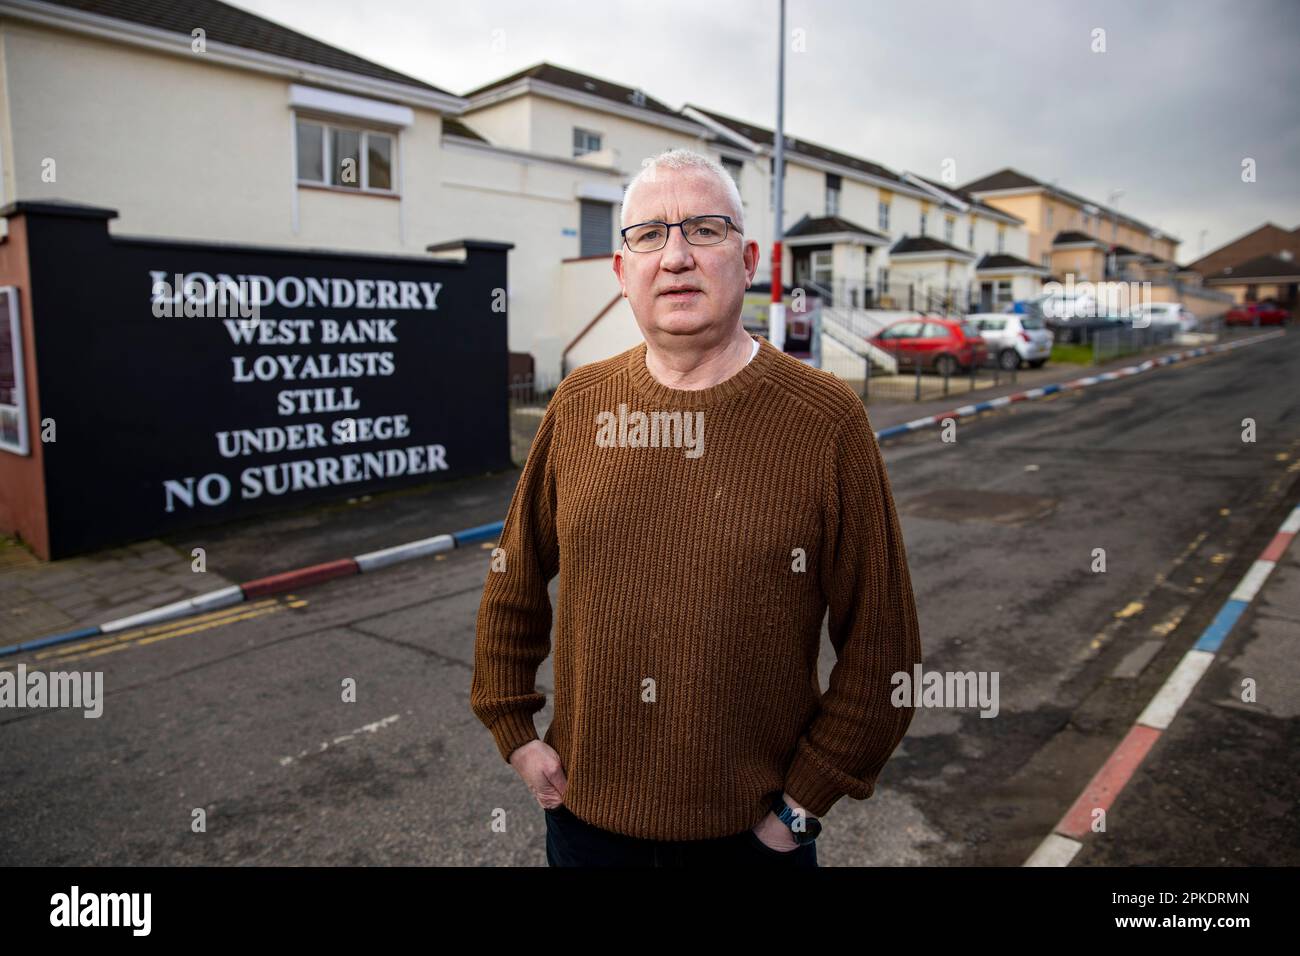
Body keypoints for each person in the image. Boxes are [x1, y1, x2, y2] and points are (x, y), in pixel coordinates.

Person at [470, 147, 922, 867]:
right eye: (649, 235)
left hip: (752, 843)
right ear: (623, 273)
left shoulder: (825, 419)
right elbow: (512, 579)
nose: (674, 256)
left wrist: (801, 808)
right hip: (585, 833)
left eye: (703, 231)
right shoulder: (581, 404)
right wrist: (514, 729)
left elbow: (884, 645)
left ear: (747, 260)